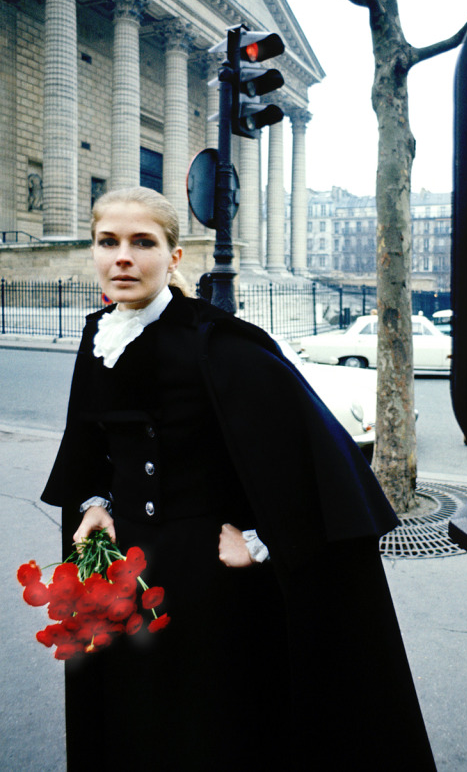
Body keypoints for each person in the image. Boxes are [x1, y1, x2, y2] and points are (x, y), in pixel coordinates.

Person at [41, 186, 437, 771]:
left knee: (206, 724)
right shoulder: (97, 333)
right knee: (131, 712)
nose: (122, 257)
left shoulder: (218, 344)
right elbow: (89, 445)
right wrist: (95, 503)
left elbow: (308, 457)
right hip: (122, 566)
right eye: (108, 242)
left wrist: (260, 539)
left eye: (142, 242)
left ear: (174, 256)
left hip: (205, 576)